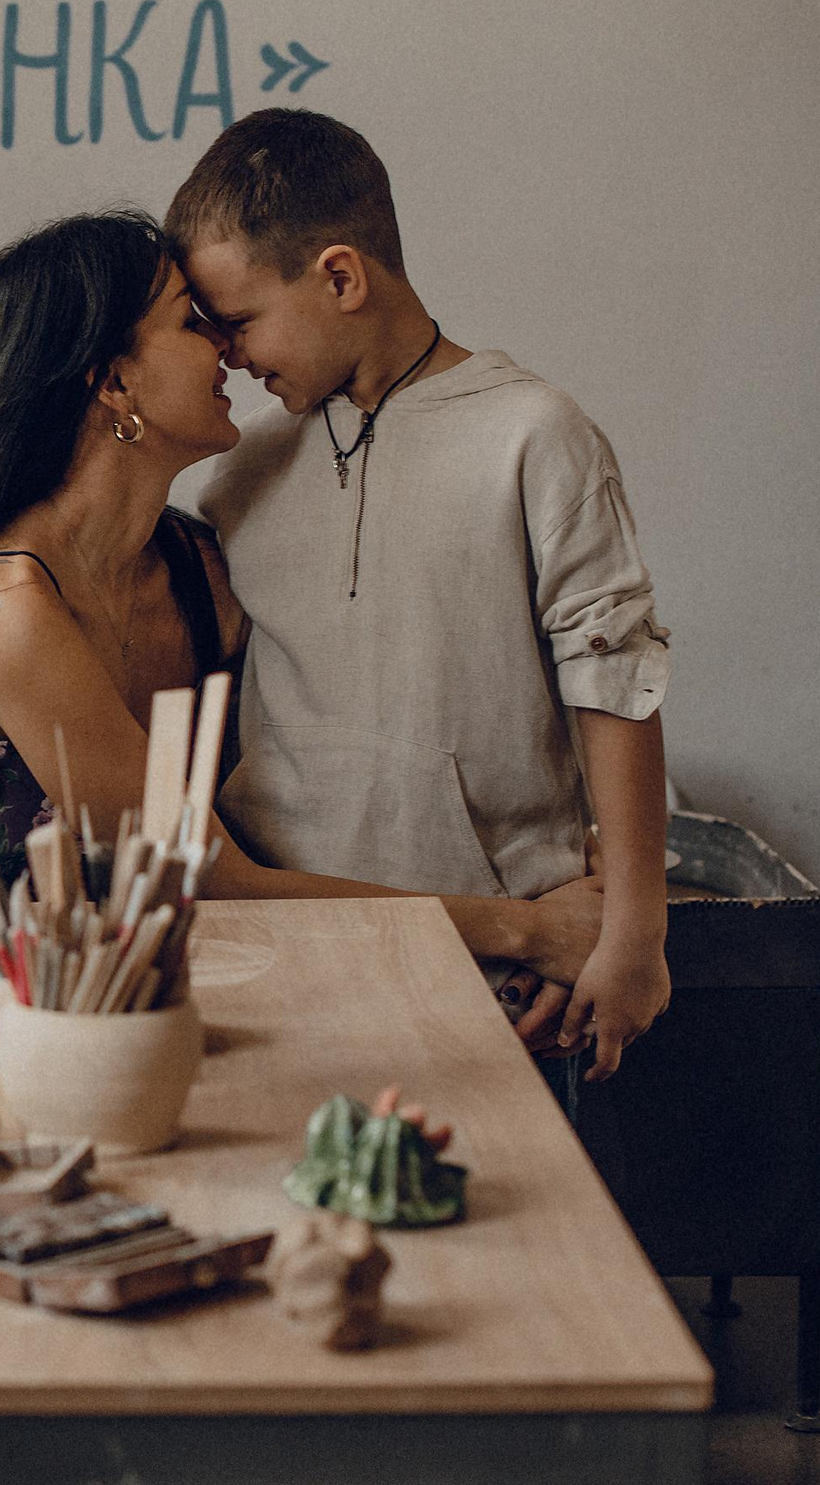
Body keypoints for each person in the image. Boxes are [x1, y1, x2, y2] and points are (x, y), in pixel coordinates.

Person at [0, 210, 603, 994]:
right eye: (193, 323)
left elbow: (374, 722)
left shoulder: (199, 570)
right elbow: (216, 879)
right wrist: (527, 930)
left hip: (135, 1006)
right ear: (115, 380)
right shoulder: (5, 612)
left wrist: (581, 854)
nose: (229, 345)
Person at [170, 108, 670, 1081]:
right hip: (285, 952)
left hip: (505, 969)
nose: (225, 354)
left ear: (341, 277)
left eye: (236, 320)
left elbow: (616, 681)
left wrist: (633, 931)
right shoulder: (236, 475)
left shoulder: (534, 437)